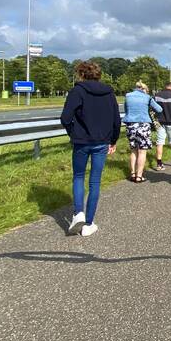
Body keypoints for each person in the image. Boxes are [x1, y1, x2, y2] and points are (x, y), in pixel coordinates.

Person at [60, 61, 120, 237]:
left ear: (81, 74)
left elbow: (65, 118)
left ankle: (78, 213)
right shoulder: (109, 93)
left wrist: (73, 133)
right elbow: (116, 120)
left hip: (81, 142)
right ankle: (88, 224)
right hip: (102, 142)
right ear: (99, 74)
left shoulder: (77, 91)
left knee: (78, 176)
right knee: (95, 182)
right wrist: (113, 140)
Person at [123, 80, 162, 183]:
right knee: (142, 151)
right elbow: (159, 109)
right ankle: (139, 176)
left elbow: (126, 110)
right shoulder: (147, 97)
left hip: (130, 124)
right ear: (144, 89)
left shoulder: (128, 96)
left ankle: (132, 174)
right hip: (143, 125)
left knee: (133, 150)